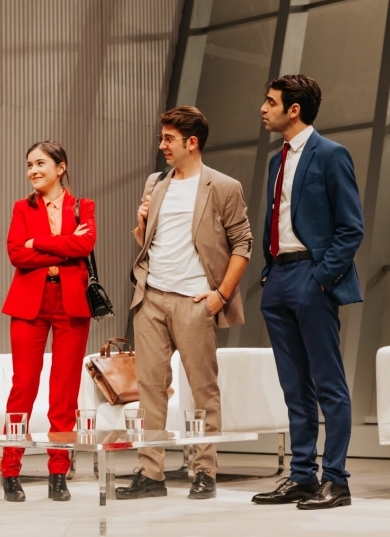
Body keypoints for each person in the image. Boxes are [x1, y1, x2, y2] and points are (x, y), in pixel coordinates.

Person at [116, 106, 252, 501]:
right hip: (151, 298)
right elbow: (148, 241)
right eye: (162, 137)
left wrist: (219, 296)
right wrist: (141, 222)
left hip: (195, 300)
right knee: (150, 389)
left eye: (169, 139)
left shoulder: (223, 186)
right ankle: (150, 474)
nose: (162, 145)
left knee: (202, 390)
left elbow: (242, 244)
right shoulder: (156, 182)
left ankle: (204, 471)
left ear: (192, 143)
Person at [251, 74, 364, 510]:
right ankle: (302, 475)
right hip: (279, 278)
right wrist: (269, 273)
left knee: (328, 384)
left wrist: (321, 278)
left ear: (293, 109)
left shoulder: (331, 155)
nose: (263, 108)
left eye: (270, 101)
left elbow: (351, 228)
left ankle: (335, 479)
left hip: (311, 277)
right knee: (294, 386)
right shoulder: (276, 161)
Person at [0, 141, 96, 502]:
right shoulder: (21, 207)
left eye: (40, 163)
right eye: (29, 165)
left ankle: (58, 472)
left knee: (64, 391)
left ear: (61, 167)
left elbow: (84, 246)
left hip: (71, 302)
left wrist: (38, 242)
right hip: (30, 303)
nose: (33, 171)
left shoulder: (83, 206)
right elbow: (16, 254)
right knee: (23, 386)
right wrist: (63, 246)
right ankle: (10, 469)